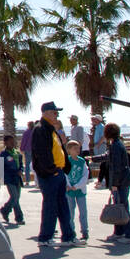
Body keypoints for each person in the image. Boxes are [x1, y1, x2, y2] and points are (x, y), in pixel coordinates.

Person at [31, 101, 75, 247]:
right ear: (45, 113)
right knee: (50, 206)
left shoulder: (51, 129)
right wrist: (52, 170)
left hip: (59, 173)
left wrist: (64, 168)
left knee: (63, 206)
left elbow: (59, 149)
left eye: (57, 113)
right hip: (50, 175)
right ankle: (45, 238)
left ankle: (68, 236)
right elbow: (41, 153)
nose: (57, 115)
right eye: (54, 112)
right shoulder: (40, 129)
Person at [104, 122, 130, 243]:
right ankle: (119, 231)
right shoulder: (118, 144)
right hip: (124, 180)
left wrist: (114, 183)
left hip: (120, 181)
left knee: (122, 207)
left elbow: (116, 167)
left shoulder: (115, 146)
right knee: (119, 206)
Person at [65, 140, 89, 244]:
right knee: (70, 212)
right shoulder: (67, 161)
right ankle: (71, 231)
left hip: (80, 190)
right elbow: (64, 174)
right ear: (69, 150)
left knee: (83, 211)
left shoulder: (82, 161)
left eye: (78, 148)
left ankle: (85, 231)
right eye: (75, 149)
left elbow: (85, 175)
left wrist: (78, 186)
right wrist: (69, 186)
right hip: (69, 190)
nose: (77, 150)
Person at [0, 134, 25, 225]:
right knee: (14, 197)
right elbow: (1, 167)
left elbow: (21, 164)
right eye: (10, 141)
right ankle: (14, 214)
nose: (12, 143)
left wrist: (20, 170)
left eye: (13, 141)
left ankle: (11, 214)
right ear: (5, 143)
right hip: (9, 178)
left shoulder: (17, 153)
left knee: (16, 198)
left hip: (17, 178)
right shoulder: (3, 154)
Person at [19, 121, 36, 185]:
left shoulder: (26, 132)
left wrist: (21, 148)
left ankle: (27, 181)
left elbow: (24, 141)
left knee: (27, 165)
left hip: (28, 150)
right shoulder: (35, 131)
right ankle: (36, 180)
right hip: (34, 150)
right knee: (35, 165)